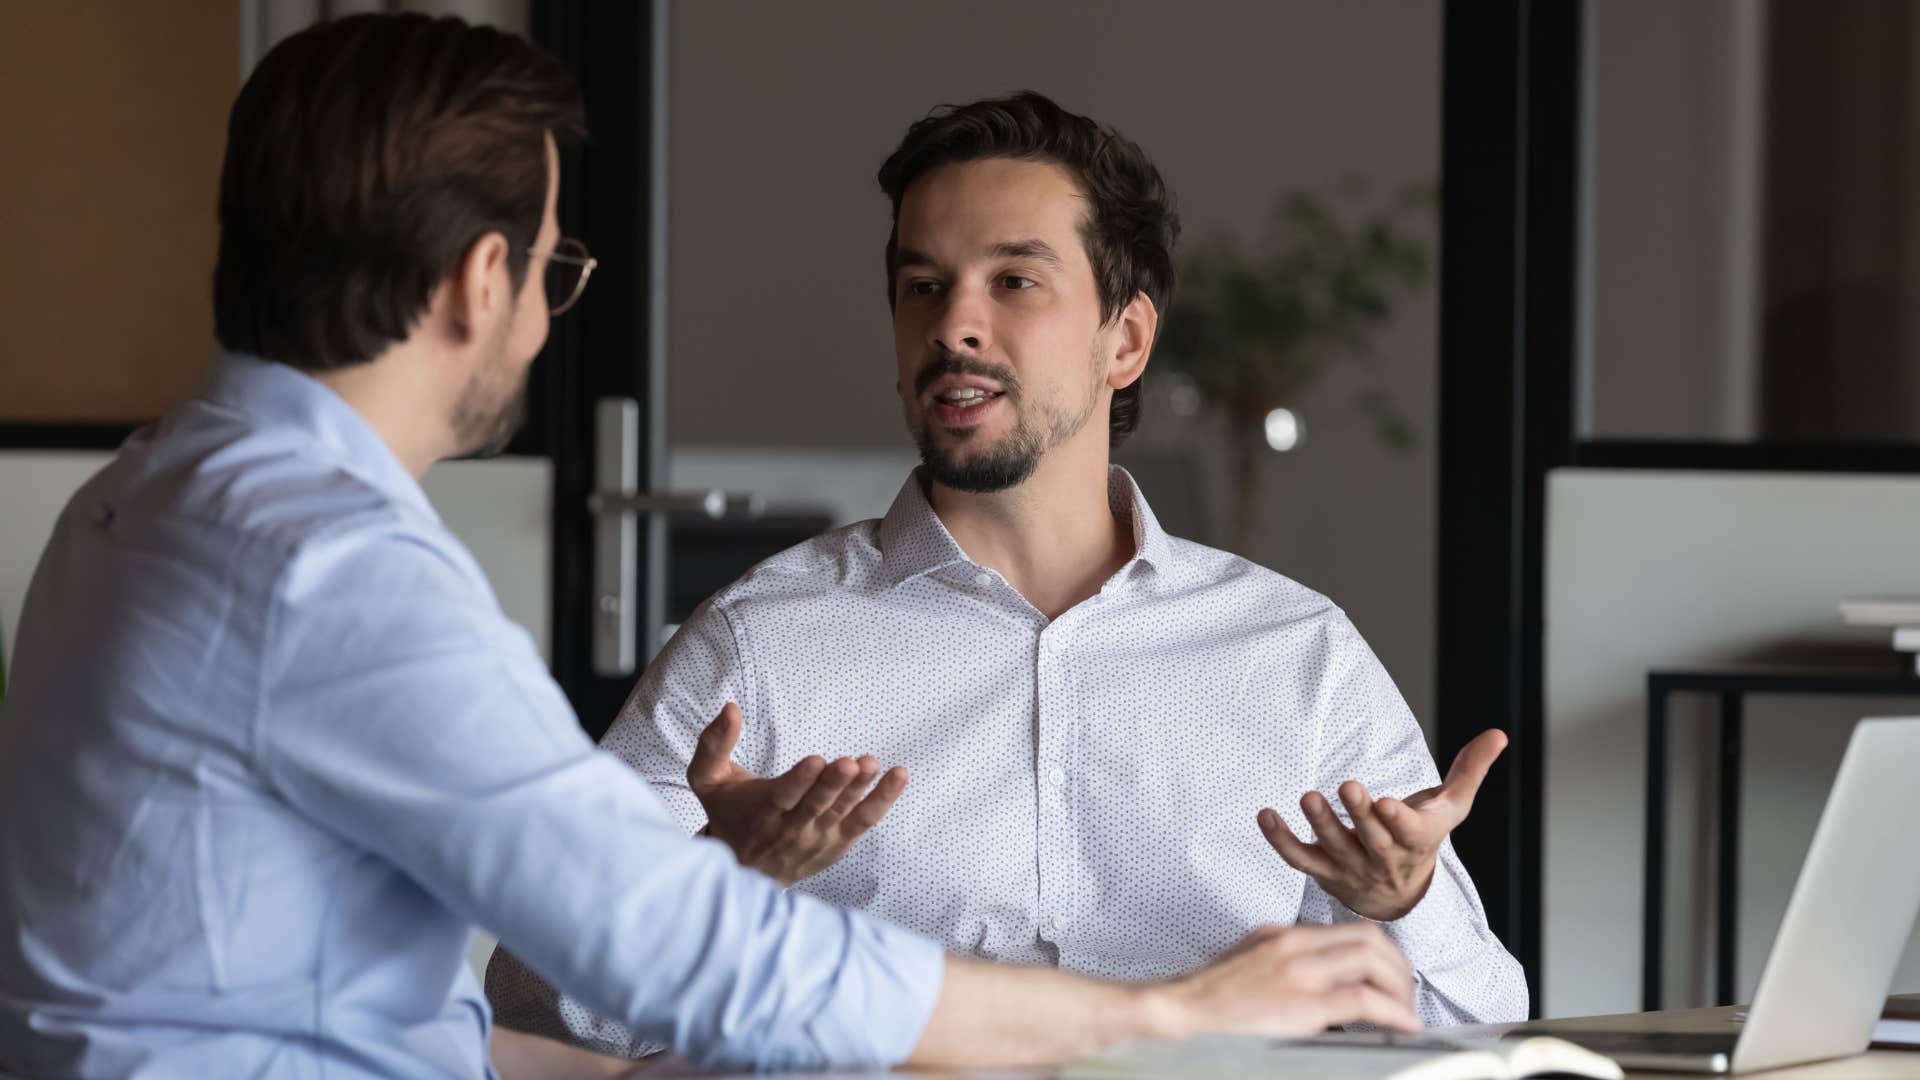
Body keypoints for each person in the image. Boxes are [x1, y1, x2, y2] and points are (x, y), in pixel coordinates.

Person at [0, 16, 1425, 1080]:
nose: (956, 323)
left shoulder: (141, 501)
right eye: (557, 268)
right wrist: (1165, 1018)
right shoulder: (329, 567)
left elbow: (386, 1000)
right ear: (481, 280)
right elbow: (654, 949)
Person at [488, 91, 1527, 1054]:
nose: (953, 325)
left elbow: (1479, 1024)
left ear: (1124, 340)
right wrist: (719, 882)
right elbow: (538, 1016)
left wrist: (1403, 897)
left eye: (1015, 282)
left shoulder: (1297, 655)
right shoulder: (758, 647)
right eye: (922, 287)